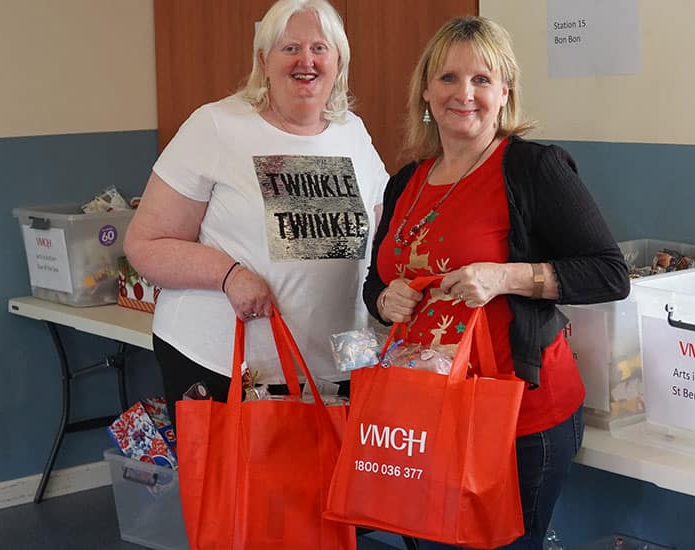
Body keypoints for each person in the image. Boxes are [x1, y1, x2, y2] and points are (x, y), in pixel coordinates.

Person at [362, 16, 629, 550]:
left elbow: (608, 272)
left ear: (505, 91)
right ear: (426, 90)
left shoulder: (532, 169)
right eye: (448, 78)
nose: (465, 93)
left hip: (517, 416)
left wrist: (506, 276)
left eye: (482, 79)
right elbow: (376, 279)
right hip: (428, 410)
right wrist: (384, 298)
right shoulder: (406, 181)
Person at [125, 0, 388, 422]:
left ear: (338, 61)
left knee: (327, 489)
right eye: (290, 49)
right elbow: (145, 244)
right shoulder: (216, 126)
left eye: (320, 48)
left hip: (336, 370)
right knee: (238, 490)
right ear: (264, 60)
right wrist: (229, 275)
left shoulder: (351, 132)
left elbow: (385, 228)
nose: (307, 60)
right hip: (222, 369)